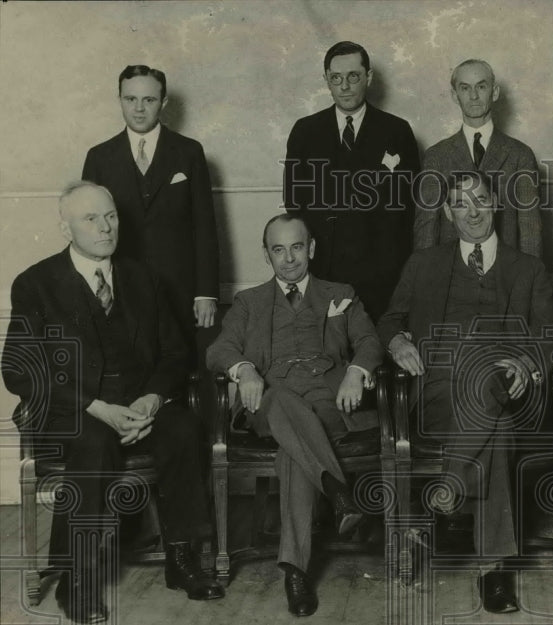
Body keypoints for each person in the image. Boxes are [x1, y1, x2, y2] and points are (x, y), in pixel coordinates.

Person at [2, 182, 224, 624]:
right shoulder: (36, 284)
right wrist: (95, 407)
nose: (106, 228)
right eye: (91, 219)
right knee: (92, 442)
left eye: (112, 216)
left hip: (140, 404)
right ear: (65, 228)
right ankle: (76, 580)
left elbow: (176, 353)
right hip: (78, 414)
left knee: (183, 429)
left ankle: (182, 561)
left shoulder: (143, 277)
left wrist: (152, 399)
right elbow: (19, 371)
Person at [377, 171, 553, 614]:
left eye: (480, 199)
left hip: (506, 389)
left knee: (490, 392)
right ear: (447, 212)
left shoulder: (527, 268)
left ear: (495, 203)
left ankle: (444, 500)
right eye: (461, 203)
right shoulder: (423, 263)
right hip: (438, 393)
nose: (472, 211)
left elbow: (552, 337)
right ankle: (493, 571)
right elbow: (389, 319)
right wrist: (398, 342)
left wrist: (530, 362)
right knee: (491, 424)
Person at [206, 214, 383, 617]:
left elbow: (370, 341)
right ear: (266, 255)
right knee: (284, 402)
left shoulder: (341, 293)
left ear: (312, 248)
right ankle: (340, 492)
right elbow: (218, 350)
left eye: (297, 247)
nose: (289, 259)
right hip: (269, 401)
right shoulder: (249, 302)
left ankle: (295, 573)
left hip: (330, 401)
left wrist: (356, 371)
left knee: (294, 450)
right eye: (279, 249)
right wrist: (245, 370)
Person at [82, 65, 220, 356]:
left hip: (179, 292)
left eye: (149, 100)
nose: (139, 109)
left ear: (164, 102)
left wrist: (206, 292)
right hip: (120, 290)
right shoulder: (99, 157)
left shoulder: (189, 152)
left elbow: (205, 227)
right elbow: (88, 234)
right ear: (119, 99)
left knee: (180, 371)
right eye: (130, 99)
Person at [284, 41, 420, 320]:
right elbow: (294, 203)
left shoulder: (397, 131)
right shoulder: (305, 131)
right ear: (327, 81)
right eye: (336, 78)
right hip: (324, 268)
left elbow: (409, 207)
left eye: (353, 76)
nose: (344, 86)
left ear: (368, 78)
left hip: (381, 273)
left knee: (378, 350)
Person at [415, 58, 542, 257]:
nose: (473, 96)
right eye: (465, 88)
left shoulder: (520, 155)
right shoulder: (436, 157)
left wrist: (529, 284)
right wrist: (427, 282)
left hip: (505, 276)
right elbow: (426, 230)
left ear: (495, 92)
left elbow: (530, 232)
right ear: (454, 95)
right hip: (452, 276)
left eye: (481, 86)